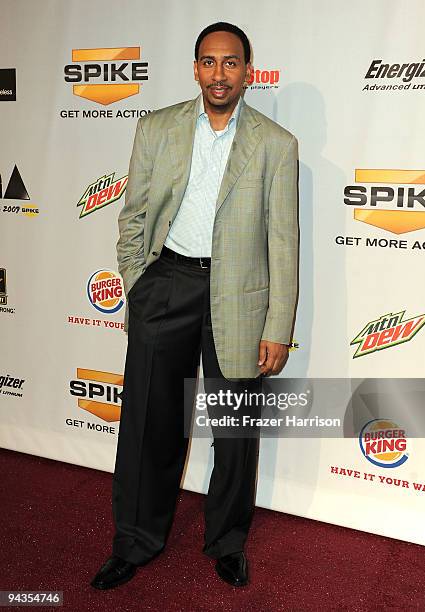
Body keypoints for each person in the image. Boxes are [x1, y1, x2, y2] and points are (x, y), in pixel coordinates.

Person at [91, 21, 299, 590]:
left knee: (233, 431)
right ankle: (134, 540)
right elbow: (133, 215)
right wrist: (139, 282)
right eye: (209, 62)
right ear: (195, 68)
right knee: (148, 425)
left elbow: (284, 241)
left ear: (248, 71)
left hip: (239, 296)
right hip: (168, 284)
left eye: (231, 63)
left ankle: (228, 541)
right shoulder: (156, 128)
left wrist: (277, 324)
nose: (219, 73)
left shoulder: (277, 145)